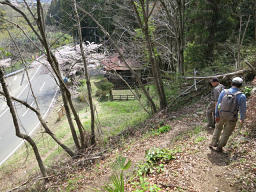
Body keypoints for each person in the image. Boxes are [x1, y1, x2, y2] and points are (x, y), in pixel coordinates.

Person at [209, 77, 246, 152]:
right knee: (227, 132)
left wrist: (216, 114)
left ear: (231, 83)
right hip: (232, 117)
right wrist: (242, 118)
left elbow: (218, 104)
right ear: (240, 85)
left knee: (218, 128)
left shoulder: (224, 92)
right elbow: (243, 109)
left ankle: (213, 143)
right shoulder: (242, 96)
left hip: (221, 114)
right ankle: (220, 147)